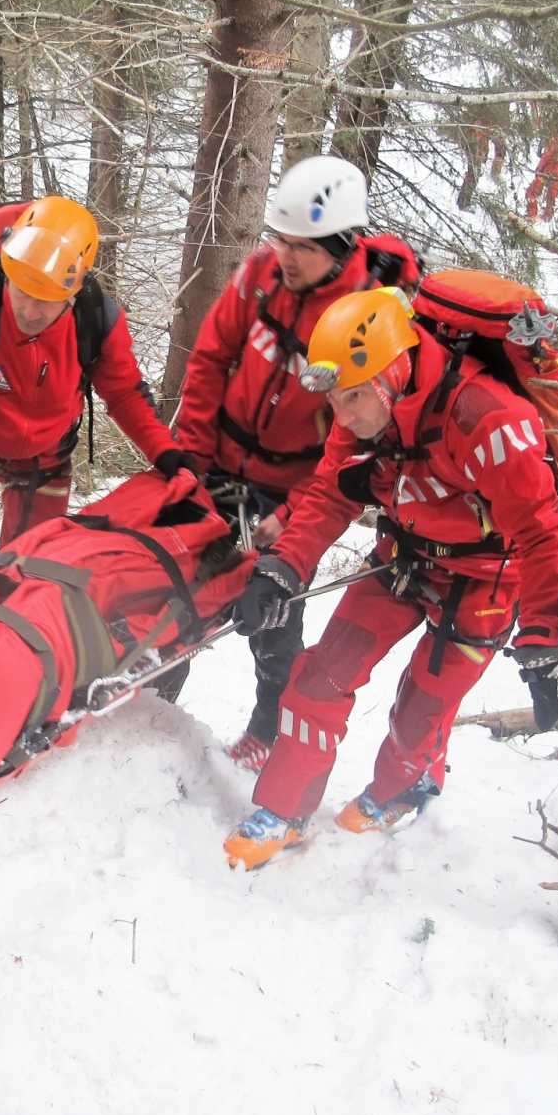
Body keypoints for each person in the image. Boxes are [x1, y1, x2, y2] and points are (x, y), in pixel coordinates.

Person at [220, 287, 558, 871]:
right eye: (335, 400)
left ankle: (401, 789)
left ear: (395, 370)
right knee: (320, 676)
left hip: (486, 578)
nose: (345, 415)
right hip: (402, 558)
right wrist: (282, 568)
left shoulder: (488, 420)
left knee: (423, 707)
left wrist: (543, 644)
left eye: (354, 397)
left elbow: (544, 536)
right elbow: (329, 493)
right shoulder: (361, 417)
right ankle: (285, 810)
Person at [169, 156, 421, 772]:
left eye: (302, 247)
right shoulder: (258, 277)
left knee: (272, 614)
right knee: (181, 583)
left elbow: (354, 442)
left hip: (296, 484)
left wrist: (292, 511)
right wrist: (192, 464)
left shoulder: (368, 313)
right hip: (223, 466)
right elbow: (206, 364)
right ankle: (156, 702)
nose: (285, 255)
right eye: (281, 238)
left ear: (341, 247)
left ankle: (268, 723)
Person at [0, 196, 196, 584]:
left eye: (46, 301)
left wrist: (167, 453)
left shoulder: (96, 319)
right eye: (22, 291)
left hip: (44, 453)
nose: (29, 311)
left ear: (74, 293)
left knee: (30, 574)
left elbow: (125, 394)